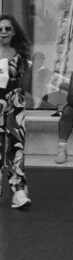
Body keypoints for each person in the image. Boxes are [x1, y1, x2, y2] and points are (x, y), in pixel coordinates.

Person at [0, 14, 31, 209]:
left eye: (7, 28)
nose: (3, 32)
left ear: (14, 32)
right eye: (0, 29)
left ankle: (18, 191)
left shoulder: (21, 55)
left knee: (16, 147)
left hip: (15, 104)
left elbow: (23, 80)